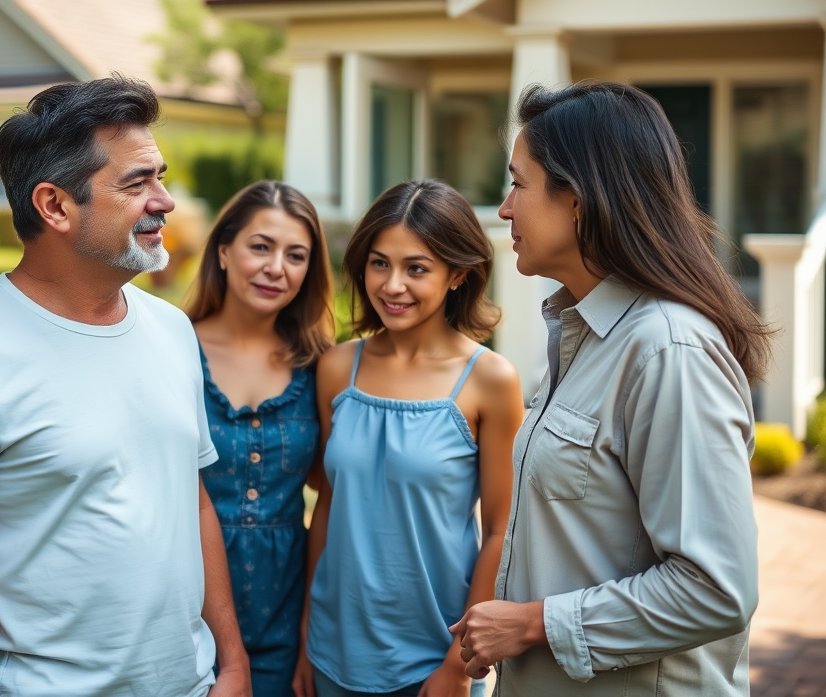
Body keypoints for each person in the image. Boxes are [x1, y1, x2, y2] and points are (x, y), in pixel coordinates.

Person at [0, 77, 250, 697]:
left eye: (159, 177)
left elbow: (191, 502)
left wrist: (232, 666)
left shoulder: (171, 330)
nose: (165, 201)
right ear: (55, 206)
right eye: (137, 184)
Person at [450, 82, 773, 696]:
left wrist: (533, 624)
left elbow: (717, 587)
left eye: (518, 183)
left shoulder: (668, 350)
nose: (504, 209)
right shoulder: (583, 333)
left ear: (579, 198)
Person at [294, 180, 524, 697]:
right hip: (333, 652)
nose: (392, 285)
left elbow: (500, 531)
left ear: (458, 274)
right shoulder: (337, 369)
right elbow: (328, 505)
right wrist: (308, 629)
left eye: (416, 268)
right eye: (379, 263)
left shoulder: (490, 380)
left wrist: (459, 663)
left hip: (433, 659)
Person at [185, 180, 335, 697]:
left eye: (297, 255)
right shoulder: (171, 348)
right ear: (224, 251)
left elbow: (332, 492)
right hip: (180, 610)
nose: (277, 268)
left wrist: (311, 628)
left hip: (286, 614)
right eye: (261, 247)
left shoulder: (321, 365)